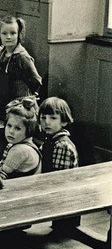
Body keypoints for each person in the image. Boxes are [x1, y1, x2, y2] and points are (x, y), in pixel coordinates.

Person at [0, 15, 43, 118]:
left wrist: (24, 94)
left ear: (19, 34)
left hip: (18, 106)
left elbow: (36, 81)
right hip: (0, 103)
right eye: (4, 33)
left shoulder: (22, 58)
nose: (8, 37)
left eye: (13, 33)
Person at [39, 97, 80, 231]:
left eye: (53, 118)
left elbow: (59, 179)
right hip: (56, 193)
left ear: (64, 121)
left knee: (63, 229)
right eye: (43, 118)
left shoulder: (62, 145)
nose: (47, 122)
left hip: (66, 198)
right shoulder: (50, 140)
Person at [0, 97, 41, 179]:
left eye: (17, 128)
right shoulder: (26, 143)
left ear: (28, 130)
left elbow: (4, 171)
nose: (11, 131)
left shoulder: (20, 150)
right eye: (9, 126)